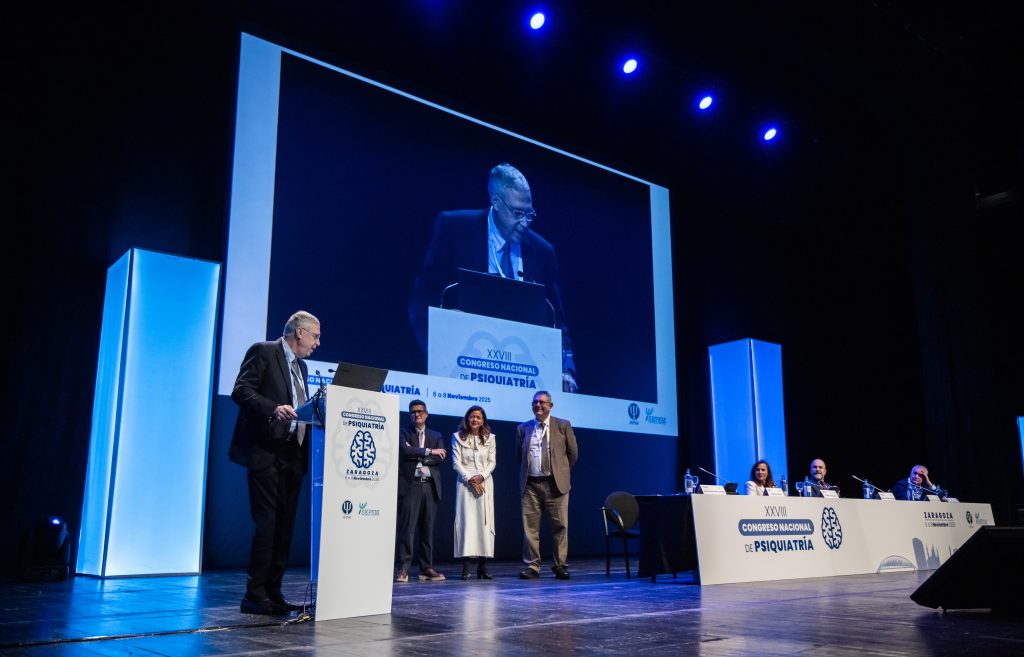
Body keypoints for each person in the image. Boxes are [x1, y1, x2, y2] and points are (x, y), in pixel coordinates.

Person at [408, 162, 577, 392]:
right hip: (465, 369)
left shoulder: (542, 251)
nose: (525, 222)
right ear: (495, 201)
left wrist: (566, 369)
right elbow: (422, 297)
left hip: (523, 376)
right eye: (517, 213)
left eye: (529, 213)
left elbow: (558, 319)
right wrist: (437, 351)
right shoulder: (454, 228)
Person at [229, 310, 320, 615]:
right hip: (265, 451)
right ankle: (254, 595)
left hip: (293, 455)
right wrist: (273, 409)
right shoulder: (264, 351)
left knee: (284, 528)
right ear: (300, 333)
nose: (317, 343)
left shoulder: (302, 368)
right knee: (267, 525)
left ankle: (273, 592)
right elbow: (241, 391)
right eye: (316, 336)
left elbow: (298, 405)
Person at [516, 390, 578, 580]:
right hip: (531, 485)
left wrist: (560, 473)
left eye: (542, 402)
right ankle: (533, 566)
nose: (538, 405)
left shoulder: (563, 425)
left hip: (555, 484)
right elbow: (519, 456)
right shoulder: (523, 428)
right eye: (535, 402)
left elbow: (572, 454)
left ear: (551, 405)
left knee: (560, 527)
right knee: (530, 530)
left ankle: (560, 566)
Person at [395, 400, 447, 583]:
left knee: (428, 529)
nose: (416, 415)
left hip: (429, 486)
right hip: (411, 485)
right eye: (413, 412)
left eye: (419, 412)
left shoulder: (436, 435)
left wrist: (418, 454)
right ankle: (403, 568)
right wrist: (429, 451)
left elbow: (439, 459)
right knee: (407, 529)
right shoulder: (404, 432)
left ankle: (426, 568)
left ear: (426, 414)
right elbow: (404, 452)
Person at [451, 405, 497, 580]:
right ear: (467, 418)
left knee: (484, 523)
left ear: (483, 420)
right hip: (465, 484)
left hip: (484, 483)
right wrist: (470, 478)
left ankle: (483, 567)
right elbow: (456, 462)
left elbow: (492, 462)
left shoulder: (490, 438)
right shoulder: (457, 437)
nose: (475, 420)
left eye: (478, 417)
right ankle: (466, 567)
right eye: (472, 417)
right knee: (466, 523)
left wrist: (481, 477)